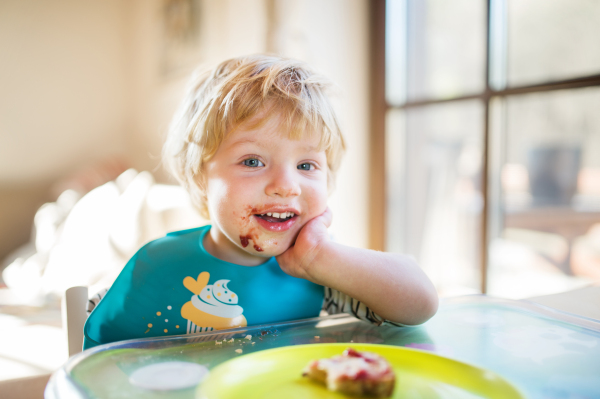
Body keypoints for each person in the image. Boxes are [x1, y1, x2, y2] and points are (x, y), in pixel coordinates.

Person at [83, 55, 438, 349]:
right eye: (253, 161)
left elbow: (421, 303)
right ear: (201, 177)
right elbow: (96, 363)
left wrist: (319, 257)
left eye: (306, 165)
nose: (286, 186)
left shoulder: (319, 273)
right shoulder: (157, 267)